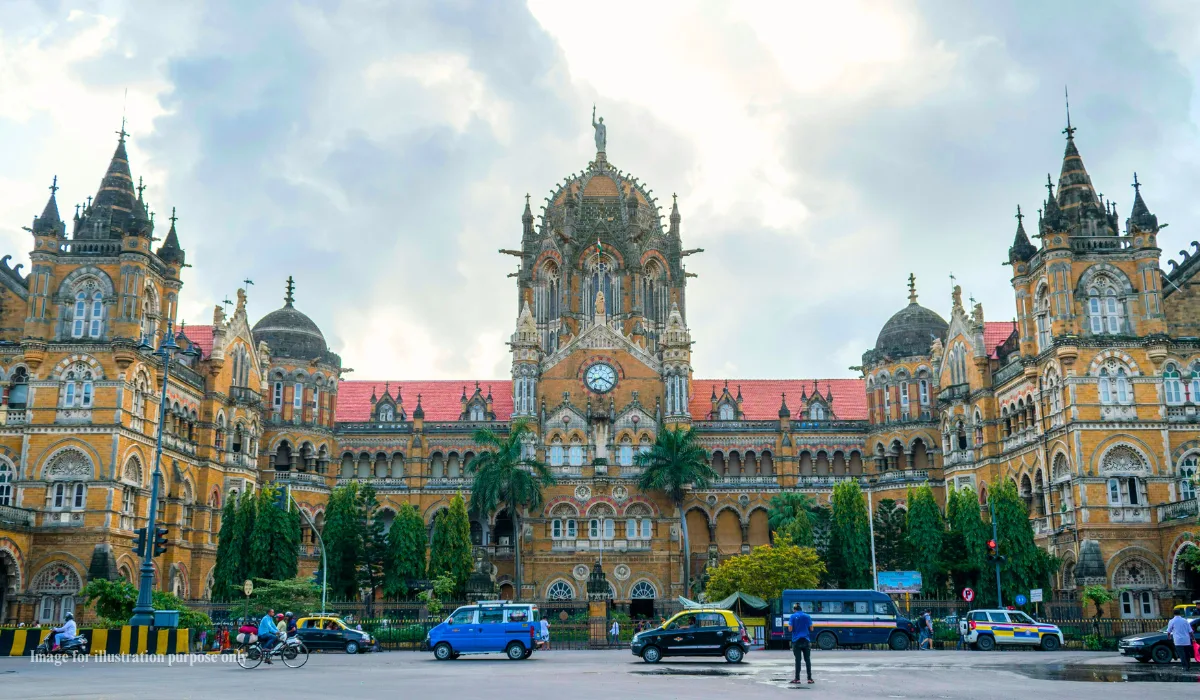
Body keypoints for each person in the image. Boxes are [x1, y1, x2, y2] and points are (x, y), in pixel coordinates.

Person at [787, 603, 814, 685]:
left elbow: (790, 629)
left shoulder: (792, 616)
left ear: (795, 610)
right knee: (807, 660)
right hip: (806, 640)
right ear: (801, 609)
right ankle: (809, 679)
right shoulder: (807, 616)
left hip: (796, 641)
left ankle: (797, 679)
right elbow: (811, 629)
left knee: (798, 660)